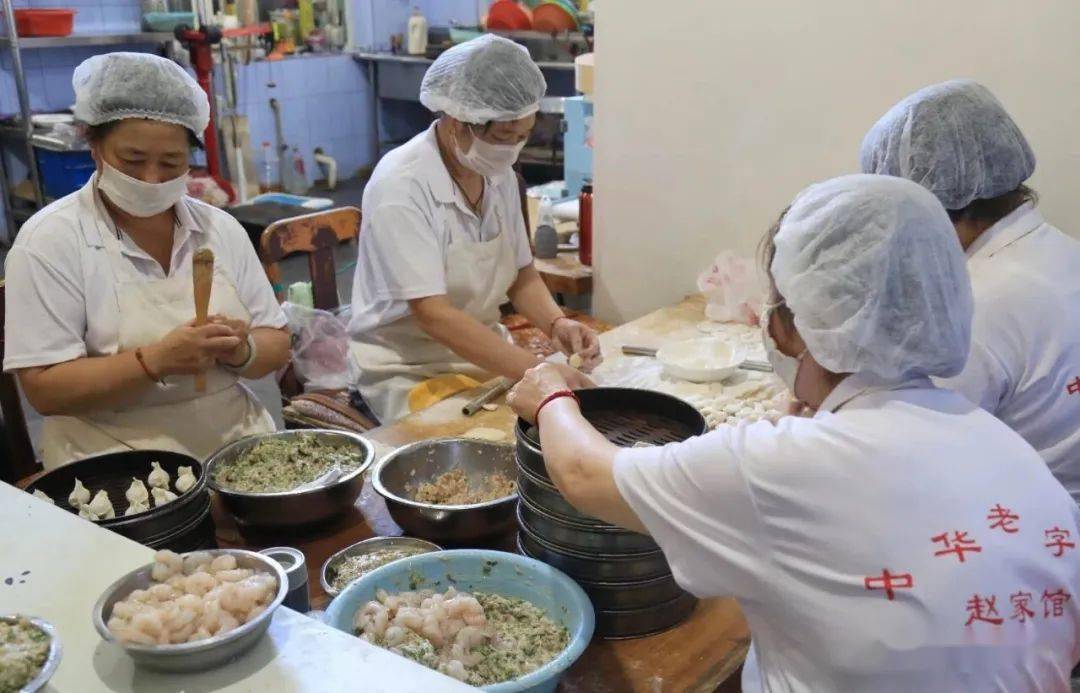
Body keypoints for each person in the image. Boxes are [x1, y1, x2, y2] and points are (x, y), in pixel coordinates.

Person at [507, 175, 1080, 691]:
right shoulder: (1007, 448)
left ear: (791, 326)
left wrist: (551, 395)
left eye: (775, 307)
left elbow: (584, 474)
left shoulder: (782, 464)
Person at [3, 53, 290, 469]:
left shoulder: (219, 229)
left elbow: (276, 344)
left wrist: (240, 349)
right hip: (113, 463)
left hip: (235, 448)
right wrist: (155, 361)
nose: (152, 179)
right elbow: (45, 390)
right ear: (94, 144)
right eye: (133, 161)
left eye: (171, 163)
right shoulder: (51, 241)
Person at [347, 34, 599, 424]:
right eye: (502, 137)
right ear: (456, 120)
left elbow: (522, 276)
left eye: (523, 137)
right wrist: (539, 371)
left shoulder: (495, 174)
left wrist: (557, 324)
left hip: (484, 354)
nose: (511, 151)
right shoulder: (401, 187)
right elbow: (434, 315)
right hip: (409, 368)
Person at [860, 79, 1080, 504]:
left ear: (927, 207)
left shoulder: (973, 306)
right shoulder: (1061, 250)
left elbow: (914, 455)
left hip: (1024, 524)